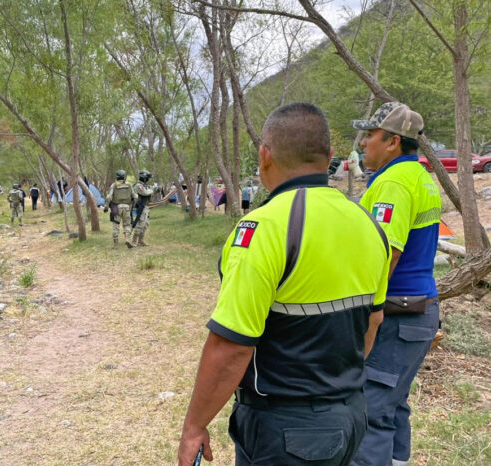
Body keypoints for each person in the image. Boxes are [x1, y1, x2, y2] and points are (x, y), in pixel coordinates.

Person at [177, 102, 391, 466]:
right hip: (351, 415)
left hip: (288, 430)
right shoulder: (369, 225)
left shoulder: (264, 228)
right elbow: (373, 322)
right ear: (330, 157)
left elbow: (231, 346)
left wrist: (194, 426)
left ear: (265, 155)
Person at [350, 102, 441, 466]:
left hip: (397, 312)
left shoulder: (393, 182)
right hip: (419, 310)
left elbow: (384, 254)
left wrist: (365, 313)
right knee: (393, 404)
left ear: (392, 142)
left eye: (370, 135)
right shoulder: (419, 176)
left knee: (370, 411)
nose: (363, 144)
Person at [103, 170, 137, 249]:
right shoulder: (129, 185)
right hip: (127, 207)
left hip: (116, 207)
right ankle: (127, 239)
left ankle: (115, 245)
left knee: (116, 225)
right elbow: (135, 197)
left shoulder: (114, 185)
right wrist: (132, 205)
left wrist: (106, 207)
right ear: (124, 176)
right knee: (127, 224)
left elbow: (108, 197)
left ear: (117, 177)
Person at [131, 170, 154, 247]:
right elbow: (145, 193)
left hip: (146, 207)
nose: (148, 179)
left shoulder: (145, 185)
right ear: (144, 178)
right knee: (140, 224)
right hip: (140, 207)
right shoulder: (138, 186)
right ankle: (134, 241)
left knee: (146, 224)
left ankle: (140, 241)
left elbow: (148, 192)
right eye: (147, 178)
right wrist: (152, 189)